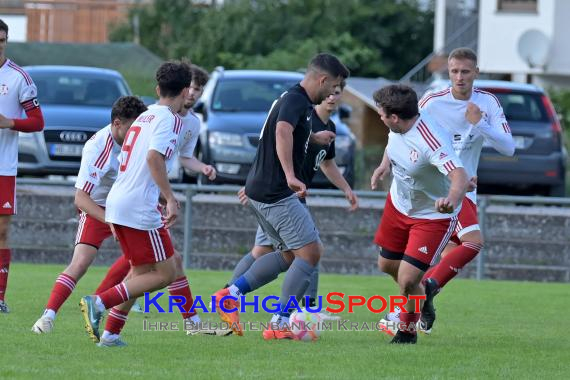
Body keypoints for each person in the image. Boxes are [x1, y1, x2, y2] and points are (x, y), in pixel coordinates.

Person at [212, 53, 349, 339]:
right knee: (311, 252)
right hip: (277, 190)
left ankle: (233, 295)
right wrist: (289, 175)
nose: (334, 93)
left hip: (262, 189)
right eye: (333, 86)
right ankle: (277, 320)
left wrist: (313, 138)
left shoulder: (294, 100)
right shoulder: (296, 99)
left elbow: (290, 130)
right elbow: (282, 131)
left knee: (288, 254)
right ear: (322, 79)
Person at [78, 61, 190, 347]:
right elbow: (155, 158)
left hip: (118, 202)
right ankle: (99, 303)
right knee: (165, 273)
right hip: (139, 207)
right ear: (186, 91)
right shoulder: (171, 119)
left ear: (157, 89)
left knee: (140, 272)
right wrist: (171, 198)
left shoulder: (144, 116)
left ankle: (111, 334)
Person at [31, 96, 147, 334]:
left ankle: (99, 303)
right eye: (133, 127)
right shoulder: (97, 147)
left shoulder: (138, 140)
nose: (138, 133)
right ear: (117, 123)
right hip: (98, 207)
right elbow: (80, 198)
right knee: (81, 263)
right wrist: (110, 221)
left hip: (126, 206)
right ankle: (47, 317)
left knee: (146, 258)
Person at [418, 48, 514, 334]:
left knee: (448, 255)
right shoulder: (432, 103)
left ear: (476, 73)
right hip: (441, 188)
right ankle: (421, 294)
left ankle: (418, 303)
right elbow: (408, 137)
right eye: (454, 71)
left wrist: (480, 123)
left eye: (465, 72)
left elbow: (508, 148)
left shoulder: (487, 102)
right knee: (473, 243)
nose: (459, 77)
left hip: (466, 190)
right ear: (448, 72)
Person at [370, 84, 468, 344]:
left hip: (431, 217)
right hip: (399, 205)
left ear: (394, 117)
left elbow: (459, 175)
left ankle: (407, 333)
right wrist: (383, 165)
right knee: (387, 266)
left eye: (381, 114)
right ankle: (423, 297)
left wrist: (451, 199)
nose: (379, 117)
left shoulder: (430, 140)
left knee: (407, 279)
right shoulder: (397, 126)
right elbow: (393, 144)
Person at [0, 19, 45, 313]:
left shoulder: (19, 78)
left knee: (2, 232)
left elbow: (38, 122)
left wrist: (10, 122)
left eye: (2, 40)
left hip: (3, 168)